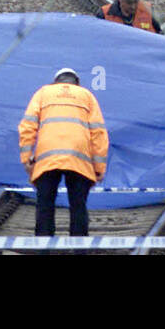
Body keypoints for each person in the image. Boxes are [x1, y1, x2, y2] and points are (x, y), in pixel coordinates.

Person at [18, 66, 108, 237]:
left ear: (56, 81)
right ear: (77, 83)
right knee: (78, 204)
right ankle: (79, 247)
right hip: (78, 158)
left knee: (45, 203)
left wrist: (27, 159)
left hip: (47, 158)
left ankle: (43, 246)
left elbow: (27, 126)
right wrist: (99, 168)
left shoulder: (43, 93)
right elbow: (98, 133)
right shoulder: (87, 96)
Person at [96, 0, 161, 33]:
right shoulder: (104, 14)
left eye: (136, 2)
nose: (133, 6)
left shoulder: (148, 10)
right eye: (129, 3)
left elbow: (161, 34)